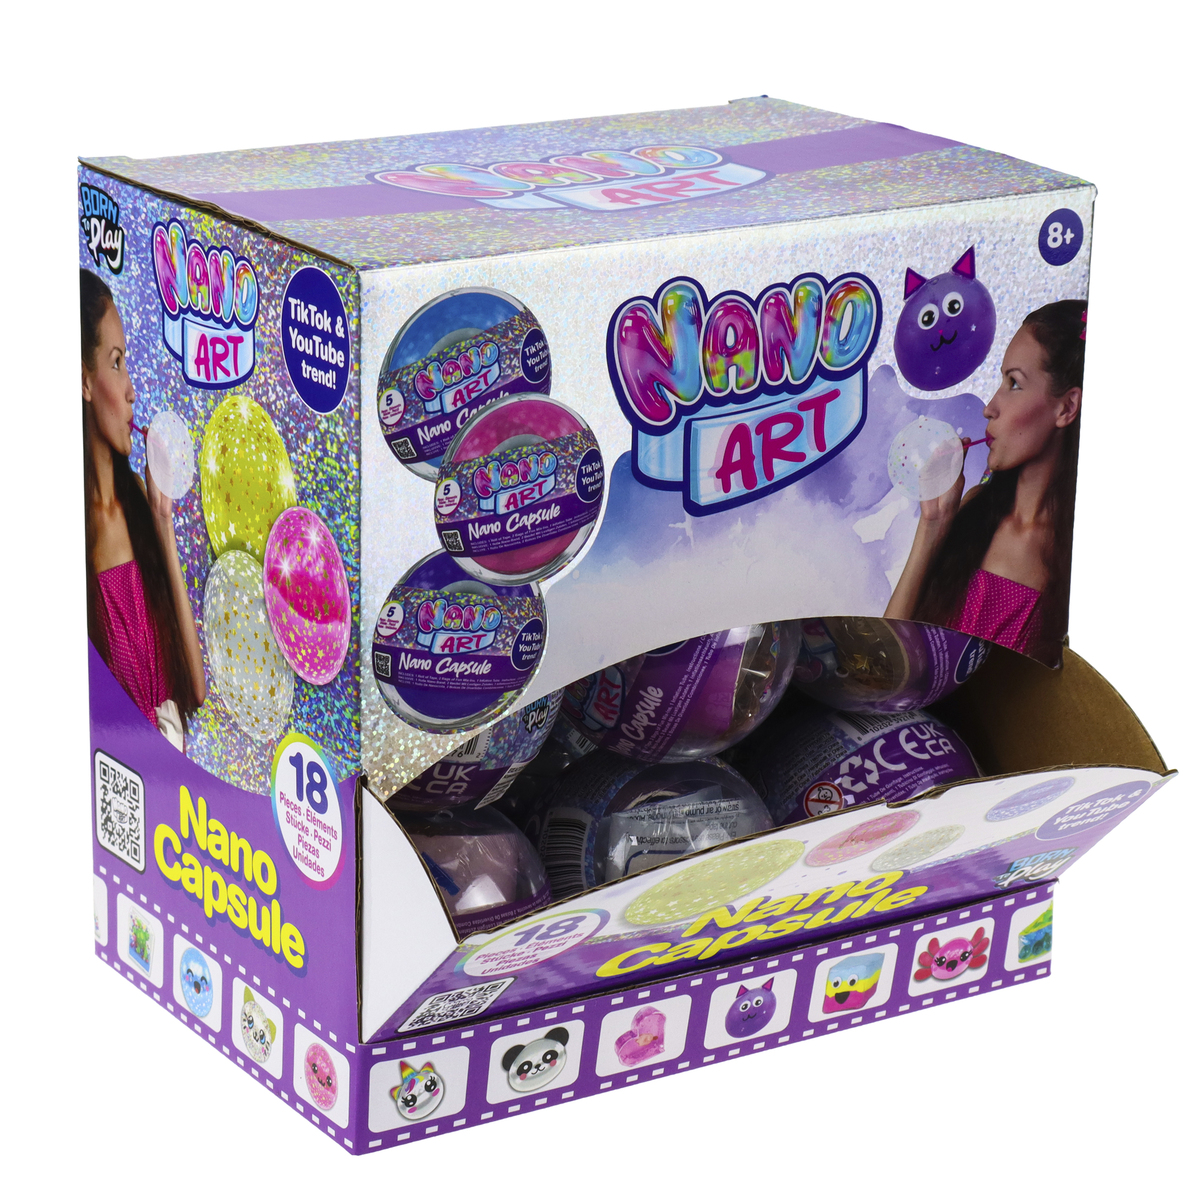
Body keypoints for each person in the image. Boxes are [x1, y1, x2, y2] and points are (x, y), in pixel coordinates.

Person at [884, 300, 1085, 665]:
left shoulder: (1078, 558)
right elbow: (887, 662)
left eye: (1014, 383)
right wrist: (932, 526)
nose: (989, 407)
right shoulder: (975, 508)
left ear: (1067, 408)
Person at [81, 268, 205, 745]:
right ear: (84, 381)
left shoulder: (137, 499)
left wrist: (162, 522)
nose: (132, 389)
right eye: (116, 363)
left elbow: (195, 689)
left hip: (174, 770)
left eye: (127, 363)